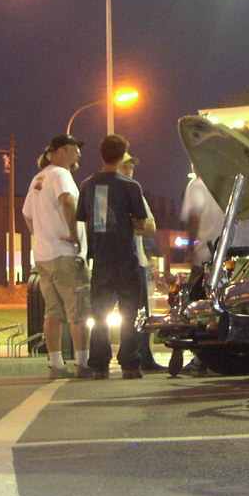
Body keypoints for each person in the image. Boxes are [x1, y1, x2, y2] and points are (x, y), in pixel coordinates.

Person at [77, 134, 154, 379]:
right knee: (130, 312)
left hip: (100, 258)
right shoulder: (131, 186)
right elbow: (141, 223)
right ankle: (129, 363)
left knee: (99, 313)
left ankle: (99, 363)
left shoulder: (87, 185)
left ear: (101, 155)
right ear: (122, 156)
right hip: (126, 257)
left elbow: (84, 218)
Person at [21, 133, 97, 379]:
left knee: (52, 312)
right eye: (76, 149)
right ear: (62, 150)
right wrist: (73, 233)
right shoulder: (61, 174)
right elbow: (67, 201)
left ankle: (56, 365)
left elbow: (27, 215)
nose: (79, 154)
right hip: (65, 254)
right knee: (78, 310)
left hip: (43, 256)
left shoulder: (38, 178)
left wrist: (41, 235)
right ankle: (83, 363)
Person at [118, 154, 164, 372]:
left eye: (131, 167)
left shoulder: (136, 193)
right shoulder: (103, 191)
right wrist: (134, 223)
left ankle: (143, 356)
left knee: (140, 313)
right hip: (114, 260)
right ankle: (120, 357)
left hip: (136, 260)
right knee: (112, 313)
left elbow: (151, 226)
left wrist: (127, 224)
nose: (129, 171)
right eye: (125, 166)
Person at [180, 169, 225, 266]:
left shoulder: (197, 185)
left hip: (205, 255)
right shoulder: (227, 184)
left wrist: (190, 249)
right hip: (227, 253)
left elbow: (194, 220)